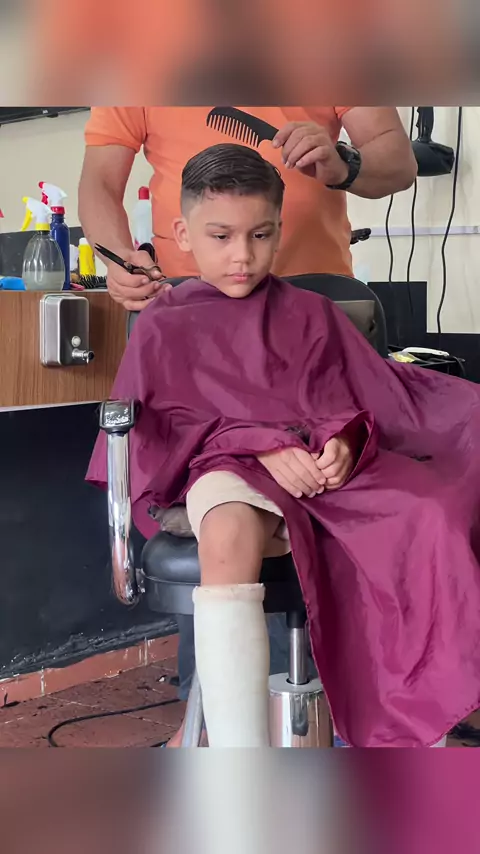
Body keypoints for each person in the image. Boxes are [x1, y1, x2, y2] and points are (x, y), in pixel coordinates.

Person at [88, 143, 480, 748]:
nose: (242, 255)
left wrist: (345, 441)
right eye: (221, 236)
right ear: (183, 235)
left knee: (429, 513)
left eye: (260, 235)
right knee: (229, 530)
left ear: (279, 230)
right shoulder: (164, 323)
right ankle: (237, 755)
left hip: (318, 472)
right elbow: (168, 433)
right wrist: (261, 447)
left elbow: (359, 397)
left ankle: (419, 726)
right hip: (220, 466)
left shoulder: (312, 314)